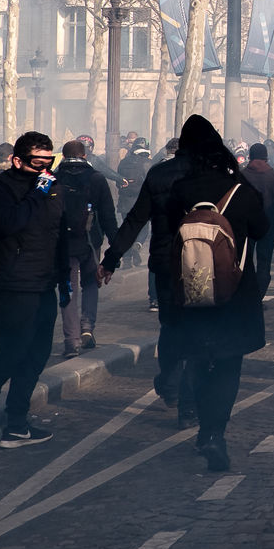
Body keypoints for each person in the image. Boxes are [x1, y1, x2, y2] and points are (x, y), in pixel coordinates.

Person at [165, 116, 268, 471]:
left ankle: (202, 427)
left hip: (190, 292)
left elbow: (166, 236)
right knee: (227, 365)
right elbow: (262, 228)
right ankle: (214, 434)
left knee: (197, 361)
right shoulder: (239, 189)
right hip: (233, 293)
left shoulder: (180, 190)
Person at [101, 135, 196, 421]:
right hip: (201, 264)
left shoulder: (158, 174)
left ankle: (170, 385)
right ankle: (187, 403)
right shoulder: (210, 176)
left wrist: (111, 258)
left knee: (171, 327)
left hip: (166, 261)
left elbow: (135, 219)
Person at [0, 132, 66, 447]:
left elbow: (58, 232)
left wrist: (64, 278)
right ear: (17, 161)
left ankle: (17, 422)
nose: (45, 169)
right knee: (12, 352)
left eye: (50, 161)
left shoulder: (53, 188)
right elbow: (10, 223)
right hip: (11, 285)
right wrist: (37, 192)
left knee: (36, 355)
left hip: (44, 283)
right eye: (37, 162)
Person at [54, 140, 118, 356]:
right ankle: (87, 327)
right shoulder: (97, 178)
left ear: (63, 157)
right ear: (84, 155)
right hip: (91, 241)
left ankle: (71, 340)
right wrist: (115, 248)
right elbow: (108, 215)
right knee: (91, 283)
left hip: (63, 243)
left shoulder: (53, 178)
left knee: (67, 288)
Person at [241, 142, 274, 298]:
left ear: (250, 157)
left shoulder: (241, 176)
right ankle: (258, 297)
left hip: (245, 226)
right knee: (264, 262)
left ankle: (246, 296)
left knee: (245, 262)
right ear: (266, 157)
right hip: (268, 226)